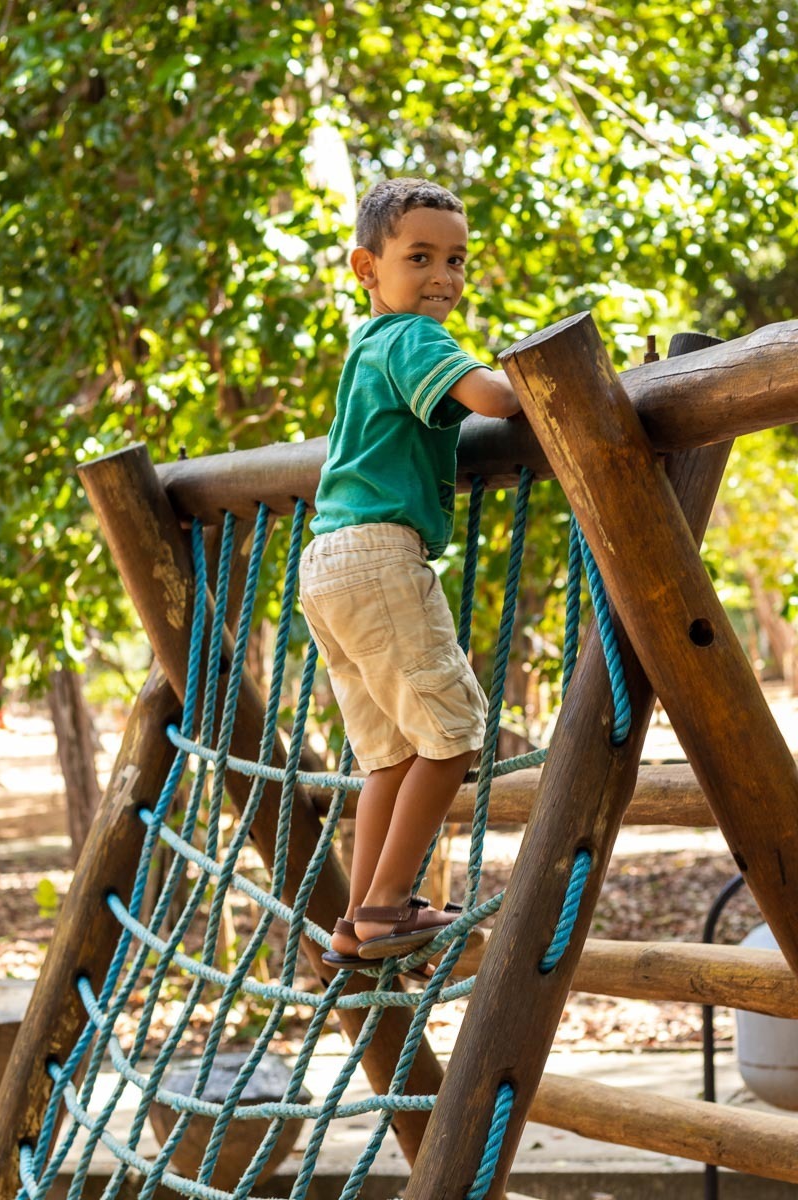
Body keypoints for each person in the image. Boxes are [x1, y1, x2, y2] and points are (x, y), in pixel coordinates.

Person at [299, 178, 521, 973]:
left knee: (388, 757)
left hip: (328, 564)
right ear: (367, 267)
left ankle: (356, 922)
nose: (443, 278)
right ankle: (390, 905)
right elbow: (495, 395)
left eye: (457, 260)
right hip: (380, 557)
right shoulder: (411, 339)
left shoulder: (365, 347)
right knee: (457, 728)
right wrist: (553, 375)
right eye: (420, 257)